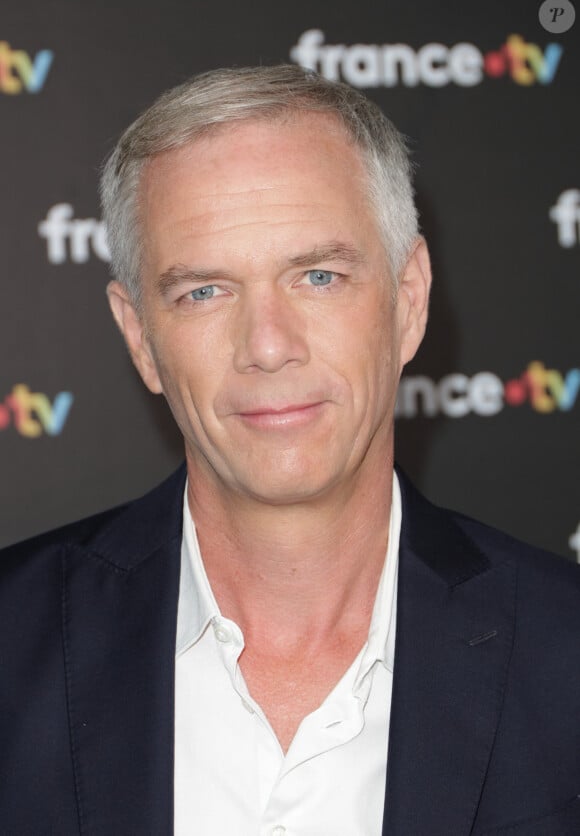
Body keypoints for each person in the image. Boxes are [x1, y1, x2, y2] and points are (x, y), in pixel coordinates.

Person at [1, 65, 579, 836]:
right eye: (204, 291)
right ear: (139, 336)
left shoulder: (564, 650)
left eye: (318, 276)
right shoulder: (13, 641)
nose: (268, 347)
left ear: (409, 302)